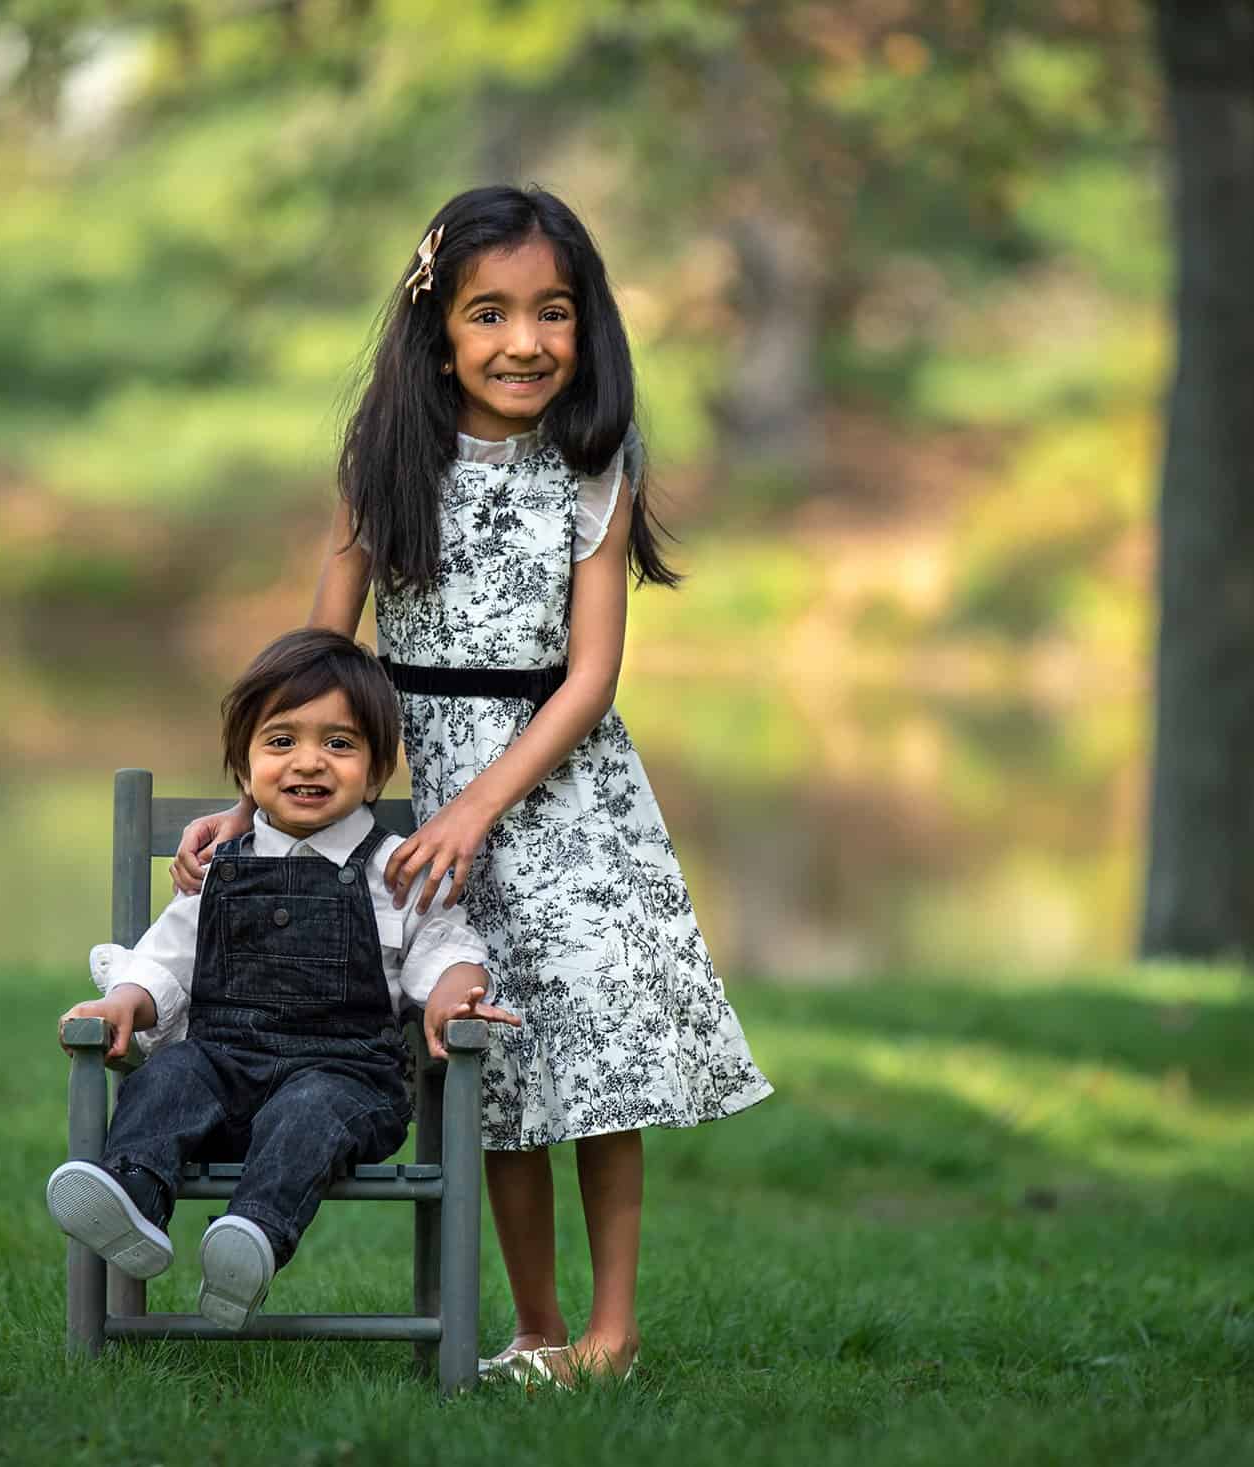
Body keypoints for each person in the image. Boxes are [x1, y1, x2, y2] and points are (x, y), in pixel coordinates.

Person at [172, 186, 774, 1383]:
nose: (522, 342)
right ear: (435, 324)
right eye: (488, 313)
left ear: (584, 323)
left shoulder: (592, 460)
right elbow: (319, 662)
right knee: (487, 1068)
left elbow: (591, 676)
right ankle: (534, 1329)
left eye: (551, 313)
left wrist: (478, 806)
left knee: (594, 1063)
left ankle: (609, 1332)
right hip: (426, 786)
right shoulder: (385, 457)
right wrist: (252, 799)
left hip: (565, 795)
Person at [47, 628, 518, 1331]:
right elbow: (166, 957)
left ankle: (252, 1240)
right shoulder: (222, 867)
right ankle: (135, 1201)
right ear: (243, 766)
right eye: (281, 741)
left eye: (339, 743)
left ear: (377, 767)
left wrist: (456, 996)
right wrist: (125, 1001)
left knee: (307, 1114)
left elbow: (445, 945)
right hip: (225, 1069)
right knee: (169, 1077)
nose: (309, 762)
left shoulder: (393, 870)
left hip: (345, 1078)